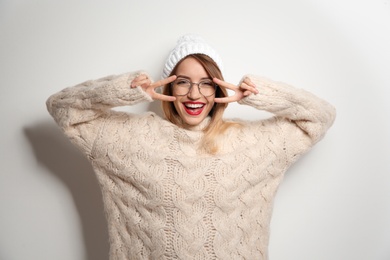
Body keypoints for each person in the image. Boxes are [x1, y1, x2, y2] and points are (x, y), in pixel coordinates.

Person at [46, 34, 336, 260]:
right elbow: (62, 108)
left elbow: (320, 117)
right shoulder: (130, 139)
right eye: (183, 82)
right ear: (169, 88)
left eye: (207, 83)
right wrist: (126, 90)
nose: (194, 93)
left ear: (219, 89)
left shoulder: (252, 145)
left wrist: (260, 94)